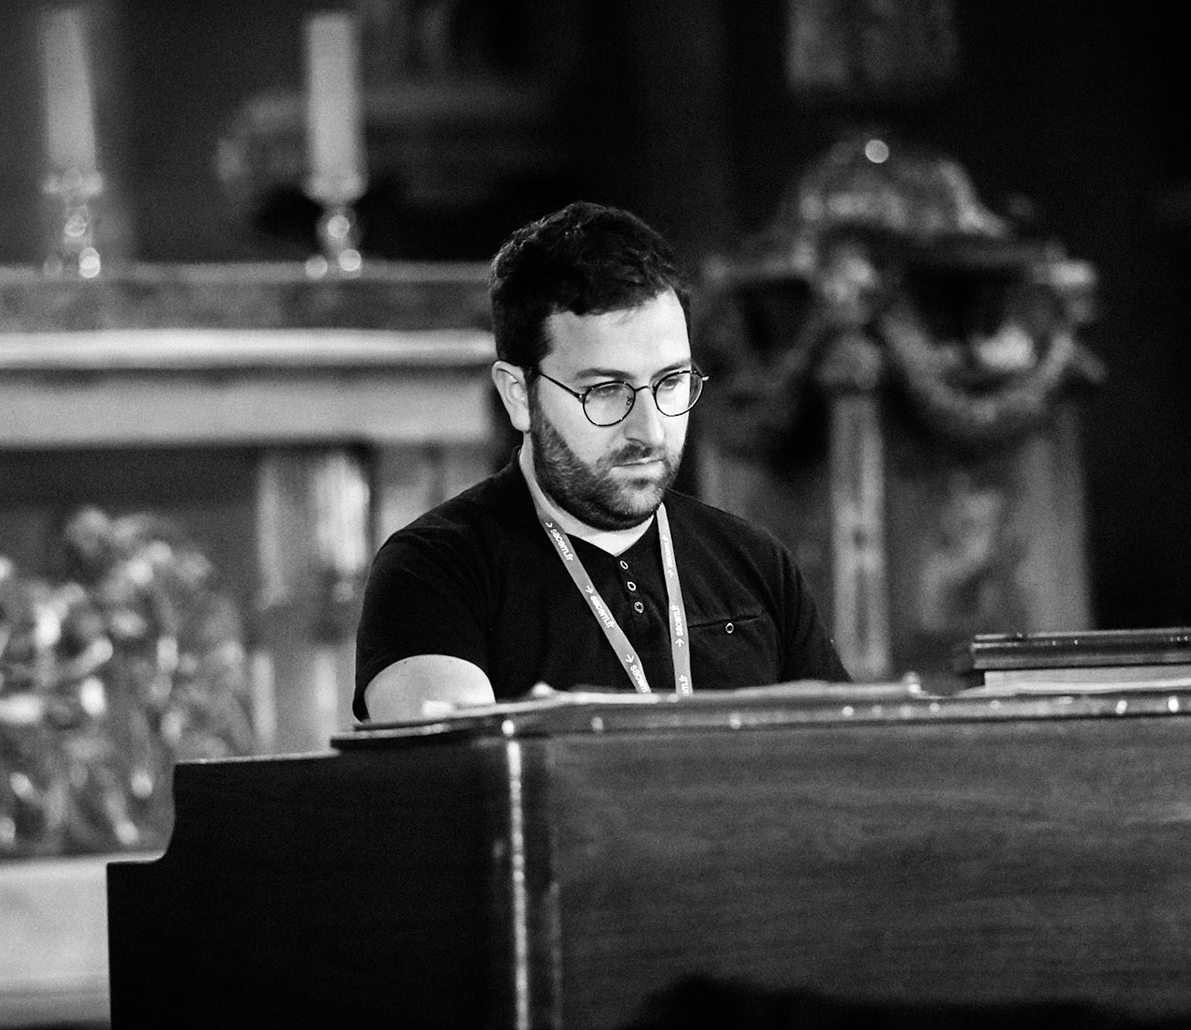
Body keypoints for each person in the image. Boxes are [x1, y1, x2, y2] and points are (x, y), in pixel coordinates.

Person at [354, 201, 851, 723]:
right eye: (607, 391)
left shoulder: (755, 563)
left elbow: (851, 771)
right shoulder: (434, 573)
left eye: (671, 382)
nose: (650, 430)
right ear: (520, 395)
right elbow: (470, 787)